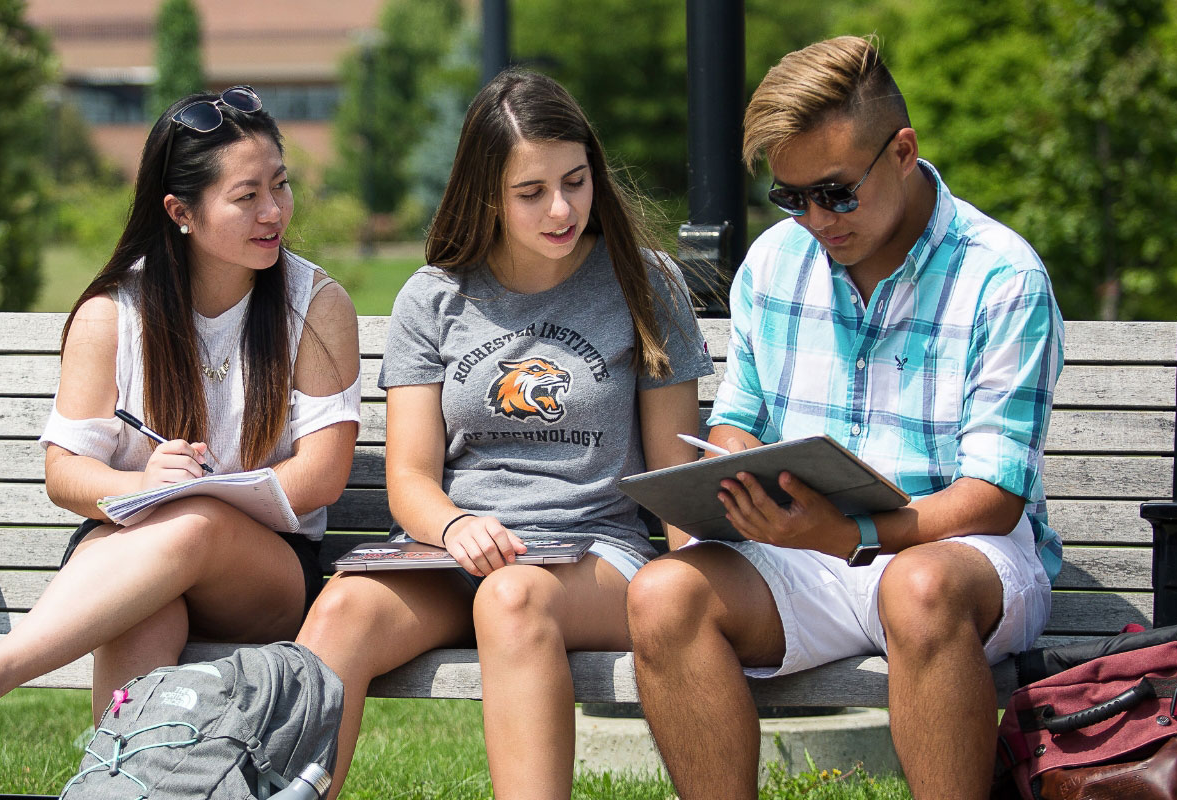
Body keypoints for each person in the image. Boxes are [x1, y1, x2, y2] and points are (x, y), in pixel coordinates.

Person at [626, 36, 1066, 800]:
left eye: (835, 192)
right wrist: (732, 476)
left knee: (918, 588)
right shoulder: (773, 263)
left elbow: (992, 500)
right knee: (663, 593)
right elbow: (737, 421)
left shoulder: (1003, 276)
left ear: (902, 151)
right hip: (807, 559)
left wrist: (849, 535)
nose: (815, 220)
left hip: (961, 557)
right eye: (790, 197)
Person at [295, 69, 713, 799]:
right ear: (487, 194)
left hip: (593, 556)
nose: (562, 208)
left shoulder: (645, 282)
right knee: (341, 608)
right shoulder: (435, 296)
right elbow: (411, 479)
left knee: (512, 598)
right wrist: (453, 526)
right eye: (532, 193)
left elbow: (676, 474)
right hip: (453, 555)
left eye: (576, 181)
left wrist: (701, 594)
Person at [0, 87, 361, 748]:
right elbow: (64, 474)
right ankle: (120, 783)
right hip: (132, 556)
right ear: (181, 211)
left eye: (281, 185)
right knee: (142, 613)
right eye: (247, 197)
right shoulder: (114, 311)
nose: (274, 211)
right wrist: (146, 485)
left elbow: (323, 476)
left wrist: (198, 497)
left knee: (196, 524)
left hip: (265, 572)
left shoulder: (314, 304)